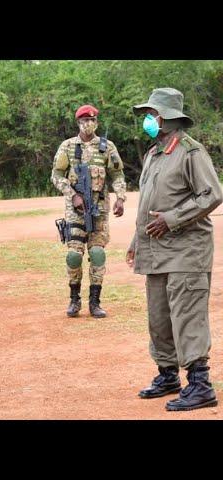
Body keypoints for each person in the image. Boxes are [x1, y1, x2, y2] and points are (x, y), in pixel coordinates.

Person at [129, 88, 222, 411]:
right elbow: (147, 204)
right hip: (155, 250)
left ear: (166, 118)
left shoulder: (190, 152)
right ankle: (167, 374)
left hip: (186, 250)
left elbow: (211, 194)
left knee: (187, 316)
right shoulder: (154, 154)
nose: (147, 120)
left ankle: (200, 383)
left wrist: (172, 219)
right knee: (159, 316)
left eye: (151, 114)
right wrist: (136, 240)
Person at [51, 104, 127, 318]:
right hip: (75, 211)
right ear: (78, 123)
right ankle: (74, 300)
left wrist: (120, 197)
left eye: (92, 120)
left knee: (97, 253)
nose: (88, 124)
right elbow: (56, 175)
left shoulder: (107, 147)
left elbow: (118, 175)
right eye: (84, 121)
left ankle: (95, 302)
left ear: (97, 123)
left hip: (99, 210)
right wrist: (72, 194)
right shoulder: (67, 146)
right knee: (74, 256)